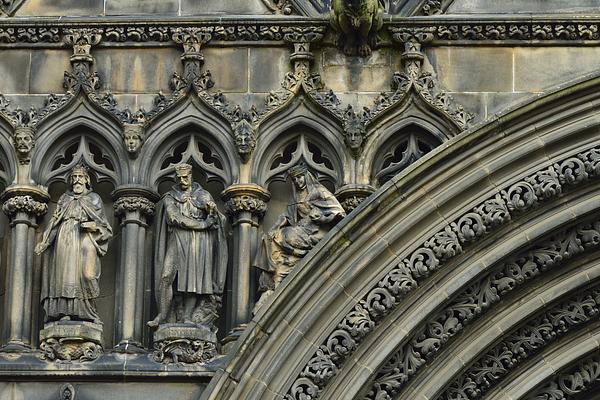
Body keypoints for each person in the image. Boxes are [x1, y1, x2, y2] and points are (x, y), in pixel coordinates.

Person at [254, 163, 345, 310]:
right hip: (303, 230)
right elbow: (286, 216)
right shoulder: (297, 196)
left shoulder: (319, 192)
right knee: (269, 238)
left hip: (318, 232)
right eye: (294, 179)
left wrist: (322, 218)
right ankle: (273, 277)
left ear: (306, 177)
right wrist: (274, 229)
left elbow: (339, 213)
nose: (297, 181)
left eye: (299, 177)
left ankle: (298, 253)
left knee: (287, 235)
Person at [148, 163, 227, 329]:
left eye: (186, 177)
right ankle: (163, 315)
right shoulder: (170, 196)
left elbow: (213, 215)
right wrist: (203, 225)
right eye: (180, 178)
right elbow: (174, 217)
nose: (183, 181)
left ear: (192, 177)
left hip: (199, 242)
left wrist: (211, 210)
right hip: (177, 239)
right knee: (166, 276)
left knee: (194, 281)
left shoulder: (203, 195)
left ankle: (188, 316)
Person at [35, 164, 112, 324]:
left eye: (80, 177)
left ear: (86, 180)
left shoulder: (94, 199)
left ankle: (88, 312)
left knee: (86, 275)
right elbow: (55, 223)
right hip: (65, 239)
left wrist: (93, 226)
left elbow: (104, 227)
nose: (77, 180)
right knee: (62, 276)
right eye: (74, 177)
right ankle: (63, 312)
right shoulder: (64, 199)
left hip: (84, 239)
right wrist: (46, 242)